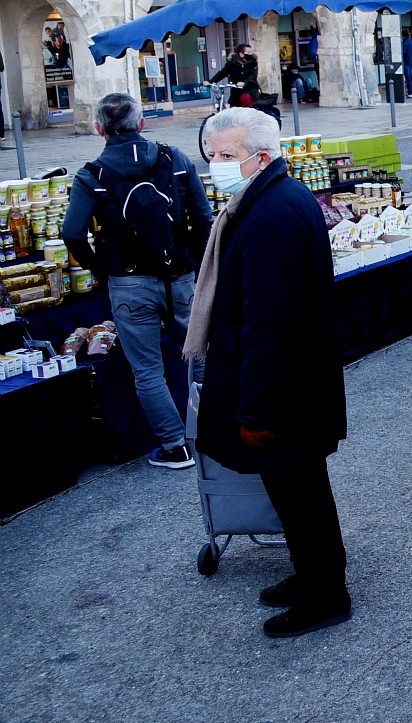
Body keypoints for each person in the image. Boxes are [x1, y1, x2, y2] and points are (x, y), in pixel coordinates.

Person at [185, 107, 346, 635]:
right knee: (293, 486)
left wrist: (254, 405)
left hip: (285, 389)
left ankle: (326, 593)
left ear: (261, 156)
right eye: (212, 156)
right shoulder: (268, 199)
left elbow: (269, 322)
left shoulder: (272, 212)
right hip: (294, 383)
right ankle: (313, 573)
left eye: (227, 156)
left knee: (300, 489)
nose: (217, 166)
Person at [62, 93, 213, 470]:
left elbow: (72, 233)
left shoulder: (90, 175)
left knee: (147, 369)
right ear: (142, 123)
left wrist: (103, 269)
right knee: (198, 353)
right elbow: (204, 218)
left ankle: (175, 447)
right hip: (179, 275)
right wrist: (193, 262)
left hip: (130, 283)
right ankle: (212, 431)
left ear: (99, 128)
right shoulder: (174, 158)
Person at [401, 29, 412, 95]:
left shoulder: (404, 43)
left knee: (408, 77)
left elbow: (404, 52)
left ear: (403, 36)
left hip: (406, 60)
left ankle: (410, 92)